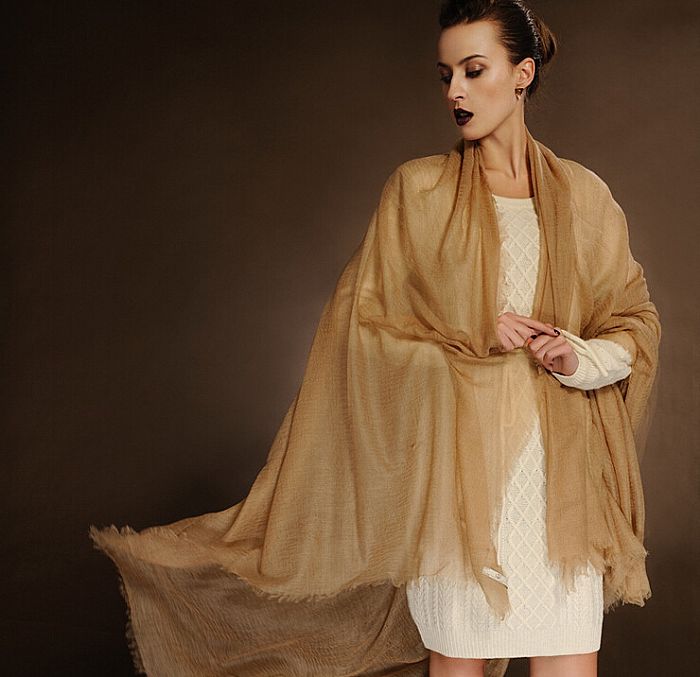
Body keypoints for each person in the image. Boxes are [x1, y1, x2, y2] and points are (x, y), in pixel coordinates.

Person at [89, 2, 660, 676]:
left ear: (523, 74)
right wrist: (474, 328)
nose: (454, 91)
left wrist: (576, 356)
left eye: (474, 70)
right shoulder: (418, 194)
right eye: (445, 75)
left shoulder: (584, 198)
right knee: (458, 657)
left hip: (563, 495)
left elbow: (635, 322)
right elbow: (364, 334)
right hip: (456, 492)